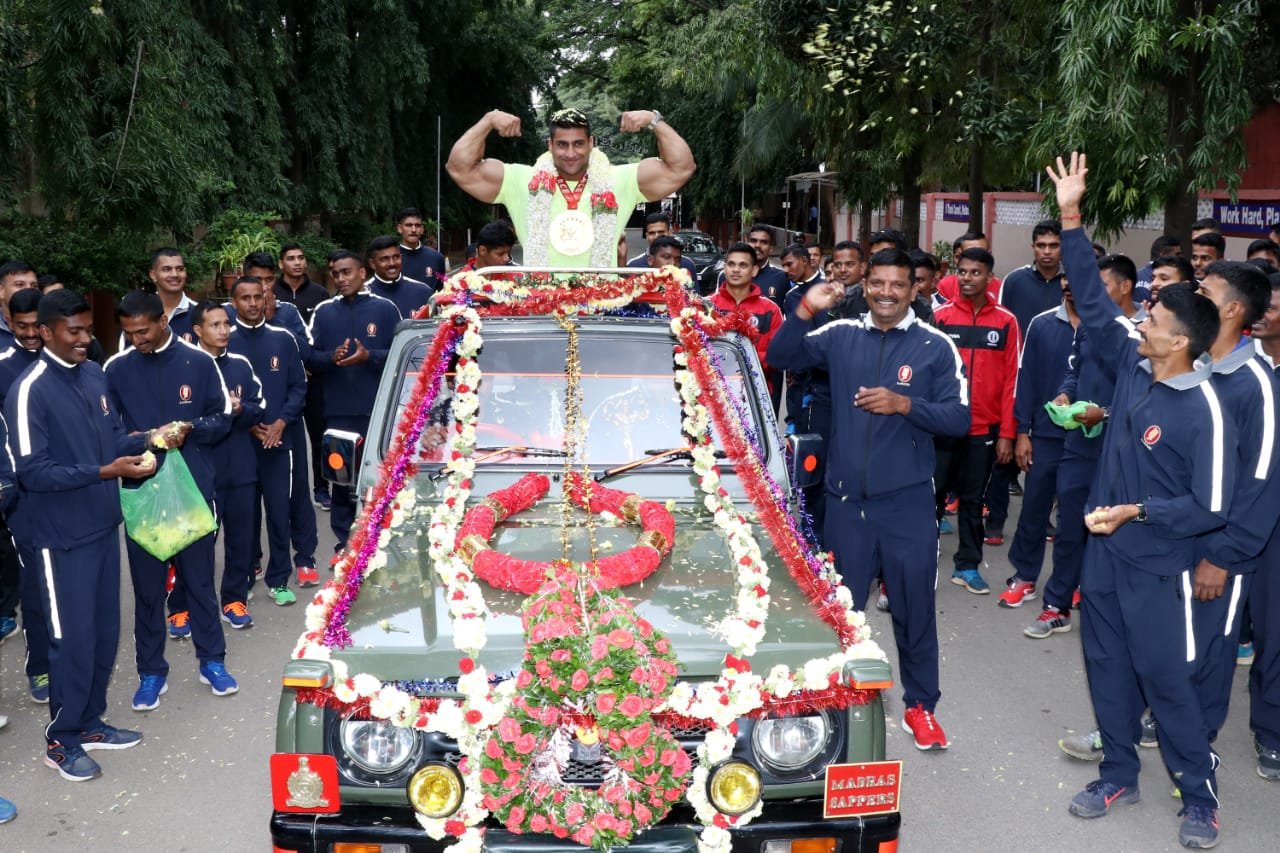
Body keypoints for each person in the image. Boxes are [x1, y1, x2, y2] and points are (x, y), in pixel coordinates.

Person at [1049, 152, 1234, 849]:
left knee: (1168, 680)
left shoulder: (1204, 407)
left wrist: (1137, 511)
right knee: (1107, 669)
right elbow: (1093, 301)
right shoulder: (1133, 364)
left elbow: (1210, 502)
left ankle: (1199, 794)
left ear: (1181, 340)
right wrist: (1071, 214)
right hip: (1105, 561)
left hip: (1160, 566)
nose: (1141, 313)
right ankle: (1118, 772)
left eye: (1152, 312)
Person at [767, 247, 969, 750]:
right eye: (877, 283)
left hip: (906, 507)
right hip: (844, 505)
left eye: (897, 284)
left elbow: (960, 420)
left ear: (913, 289)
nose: (885, 292)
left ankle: (921, 707)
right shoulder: (840, 335)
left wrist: (906, 405)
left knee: (914, 610)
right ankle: (831, 706)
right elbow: (781, 356)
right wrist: (805, 310)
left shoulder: (936, 346)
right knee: (839, 611)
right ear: (865, 285)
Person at [6, 289, 151, 781]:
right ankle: (60, 741)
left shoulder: (94, 374)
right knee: (70, 639)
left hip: (102, 526)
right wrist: (104, 470)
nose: (86, 339)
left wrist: (147, 439)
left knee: (103, 632)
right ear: (45, 333)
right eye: (75, 332)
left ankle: (89, 722)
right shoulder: (30, 390)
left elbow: (110, 439)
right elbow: (33, 472)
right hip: (58, 538)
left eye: (89, 329)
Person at [106, 290, 238, 712]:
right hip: (143, 496)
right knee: (147, 592)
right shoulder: (115, 368)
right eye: (128, 333)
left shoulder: (198, 362)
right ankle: (151, 673)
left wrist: (189, 428)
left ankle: (212, 662)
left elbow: (222, 420)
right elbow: (106, 434)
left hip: (194, 493)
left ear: (163, 322)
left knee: (199, 583)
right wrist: (147, 437)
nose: (136, 339)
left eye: (142, 331)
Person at [1027, 253, 1143, 640]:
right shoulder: (1089, 326)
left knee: (1114, 527)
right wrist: (1065, 395)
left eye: (1101, 288)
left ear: (1125, 287)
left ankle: (1109, 610)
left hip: (1125, 453)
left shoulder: (1149, 332)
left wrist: (1105, 414)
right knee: (1070, 525)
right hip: (1079, 445)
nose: (1090, 297)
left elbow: (1150, 397)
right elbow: (1074, 371)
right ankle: (1055, 605)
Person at [1187, 261, 1279, 749]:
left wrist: (1222, 557)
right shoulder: (1194, 365)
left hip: (1222, 552)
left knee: (1211, 651)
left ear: (1233, 309)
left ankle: (1197, 757)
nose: (1194, 295)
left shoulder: (1257, 384)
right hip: (1178, 539)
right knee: (1174, 645)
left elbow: (1262, 482)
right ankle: (1161, 721)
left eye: (1205, 290)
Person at [447, 107, 694, 267]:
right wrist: (488, 120)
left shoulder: (619, 179)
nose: (570, 153)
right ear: (550, 145)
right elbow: (460, 167)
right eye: (562, 144)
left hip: (599, 309)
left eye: (578, 144)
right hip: (539, 308)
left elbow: (681, 167)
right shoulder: (522, 179)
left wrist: (654, 120)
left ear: (591, 143)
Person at [932, 248, 1020, 592]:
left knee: (972, 500)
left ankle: (967, 564)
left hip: (984, 429)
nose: (967, 278)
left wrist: (1007, 434)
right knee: (933, 496)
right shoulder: (940, 317)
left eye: (975, 273)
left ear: (989, 278)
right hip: (942, 427)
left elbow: (1013, 379)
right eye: (963, 272)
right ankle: (923, 560)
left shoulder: (1006, 321)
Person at [225, 275, 314, 602]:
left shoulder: (284, 338)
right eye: (244, 298)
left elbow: (297, 387)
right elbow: (220, 394)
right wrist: (250, 425)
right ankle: (246, 576)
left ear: (266, 299)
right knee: (245, 516)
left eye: (257, 297)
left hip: (280, 442)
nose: (251, 303)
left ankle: (279, 579)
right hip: (241, 444)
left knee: (280, 512)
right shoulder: (225, 342)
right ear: (233, 303)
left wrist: (280, 423)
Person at [308, 251, 402, 557]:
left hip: (379, 412)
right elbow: (309, 358)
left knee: (382, 478)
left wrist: (369, 356)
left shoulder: (386, 309)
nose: (341, 279)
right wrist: (330, 359)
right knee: (341, 481)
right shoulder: (323, 312)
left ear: (363, 272)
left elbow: (403, 356)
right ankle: (343, 544)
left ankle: (383, 540)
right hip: (337, 413)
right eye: (336, 273)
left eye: (347, 272)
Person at [176, 301, 264, 628]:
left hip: (240, 466)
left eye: (226, 324)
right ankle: (182, 603)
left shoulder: (241, 364)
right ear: (198, 330)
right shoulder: (184, 366)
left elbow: (260, 409)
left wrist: (240, 410)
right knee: (196, 541)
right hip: (200, 470)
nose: (224, 330)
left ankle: (234, 600)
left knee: (241, 539)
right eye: (215, 325)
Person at [996, 277, 1079, 608]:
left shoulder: (1109, 328)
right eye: (1066, 276)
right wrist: (1022, 431)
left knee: (1075, 517)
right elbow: (1026, 378)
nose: (1070, 283)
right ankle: (1025, 576)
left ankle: (1071, 582)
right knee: (1033, 510)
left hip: (1089, 440)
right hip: (1045, 435)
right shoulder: (1042, 324)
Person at [0, 289, 43, 668]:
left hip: (69, 491)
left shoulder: (65, 360)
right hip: (24, 498)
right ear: (8, 322)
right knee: (35, 586)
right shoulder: (2, 367)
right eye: (21, 325)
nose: (30, 333)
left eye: (36, 325)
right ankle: (40, 666)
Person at [271, 244, 331, 509]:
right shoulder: (271, 294)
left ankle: (322, 488)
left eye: (301, 257)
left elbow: (320, 335)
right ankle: (284, 489)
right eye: (291, 259)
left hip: (314, 376)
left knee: (318, 436)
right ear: (281, 264)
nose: (297, 263)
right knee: (284, 437)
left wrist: (311, 362)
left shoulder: (319, 293)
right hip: (283, 380)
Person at [1249, 270, 1280, 781]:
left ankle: (1270, 729)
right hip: (1231, 518)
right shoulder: (1235, 368)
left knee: (1274, 630)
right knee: (1208, 628)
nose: (1263, 311)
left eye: (1273, 303)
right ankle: (1168, 716)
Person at [709, 242, 783, 387]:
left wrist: (742, 363)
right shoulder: (706, 305)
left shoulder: (770, 309)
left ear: (754, 270)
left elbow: (777, 355)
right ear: (724, 268)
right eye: (731, 264)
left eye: (743, 265)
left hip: (756, 391)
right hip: (713, 390)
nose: (735, 270)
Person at [1000, 220, 1064, 336]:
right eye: (1041, 245)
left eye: (1053, 246)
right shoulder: (1014, 280)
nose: (1047, 251)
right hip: (1023, 352)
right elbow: (1001, 322)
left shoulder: (1073, 282)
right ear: (1033, 247)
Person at [365, 235, 435, 318]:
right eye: (384, 259)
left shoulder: (423, 291)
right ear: (372, 264)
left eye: (396, 257)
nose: (392, 263)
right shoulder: (363, 295)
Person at [935, 232, 1003, 303]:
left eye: (979, 253)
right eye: (968, 253)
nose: (973, 257)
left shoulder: (1000, 287)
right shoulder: (945, 285)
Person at [625, 212, 698, 278]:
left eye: (661, 232)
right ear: (647, 236)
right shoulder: (633, 266)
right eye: (652, 233)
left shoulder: (688, 264)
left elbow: (694, 292)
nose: (656, 236)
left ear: (670, 233)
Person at [147, 248, 197, 342]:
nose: (174, 274)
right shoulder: (140, 313)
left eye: (180, 269)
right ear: (153, 275)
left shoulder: (199, 314)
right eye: (166, 269)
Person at [395, 208, 448, 287]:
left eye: (417, 225)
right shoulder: (391, 260)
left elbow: (442, 291)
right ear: (399, 228)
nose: (413, 230)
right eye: (409, 225)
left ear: (422, 229)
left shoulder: (437, 258)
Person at [0, 261, 38, 351]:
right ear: (1, 291)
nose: (28, 289)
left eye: (34, 285)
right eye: (19, 285)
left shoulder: (52, 325)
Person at [1134, 234, 1184, 302]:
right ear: (1164, 255)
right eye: (1177, 254)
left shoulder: (1135, 275)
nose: (1180, 257)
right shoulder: (1171, 280)